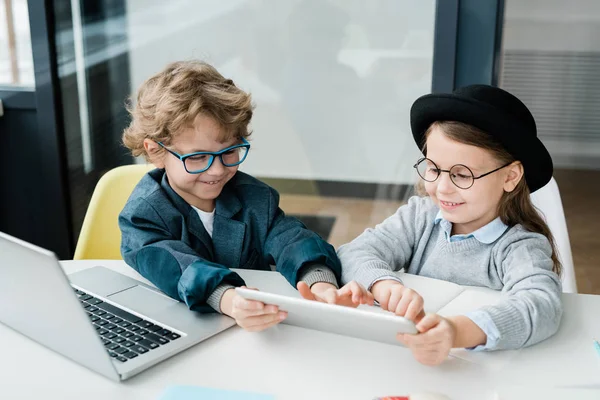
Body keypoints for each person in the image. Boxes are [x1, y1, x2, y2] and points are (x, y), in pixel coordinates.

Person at [119, 60, 370, 332]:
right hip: (183, 330)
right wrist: (227, 298)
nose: (216, 169)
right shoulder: (142, 215)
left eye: (228, 152)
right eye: (198, 157)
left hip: (258, 331)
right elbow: (176, 267)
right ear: (155, 151)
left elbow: (291, 239)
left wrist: (318, 280)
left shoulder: (254, 198)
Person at [335, 84, 563, 365]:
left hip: (479, 374)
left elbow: (542, 307)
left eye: (462, 175)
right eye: (433, 169)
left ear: (510, 177)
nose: (442, 189)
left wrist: (458, 331)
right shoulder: (420, 216)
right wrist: (383, 284)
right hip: (407, 362)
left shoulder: (518, 245)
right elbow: (352, 252)